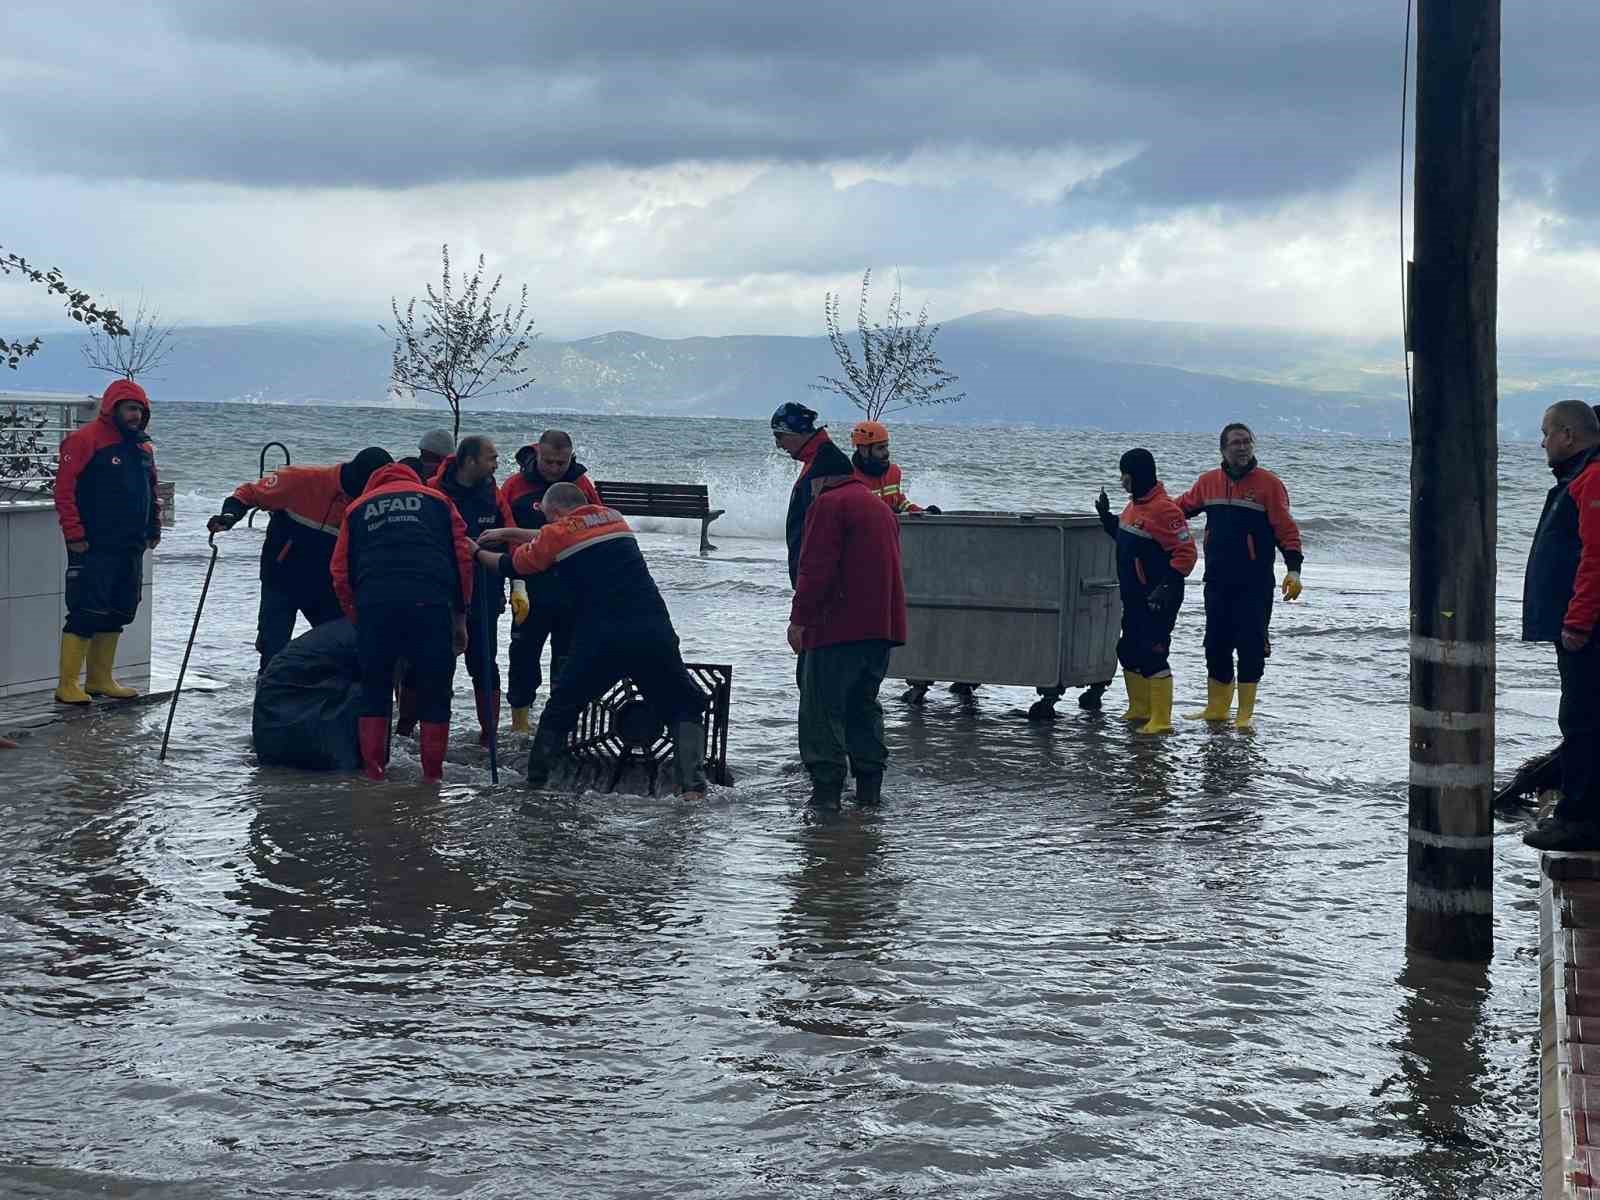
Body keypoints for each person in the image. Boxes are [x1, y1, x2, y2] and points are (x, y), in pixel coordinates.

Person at [475, 483, 709, 798]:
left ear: (554, 512)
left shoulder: (555, 535)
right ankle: (692, 789)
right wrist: (512, 532)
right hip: (653, 627)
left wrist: (475, 551)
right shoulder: (612, 517)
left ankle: (536, 783)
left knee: (563, 706)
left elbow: (511, 565)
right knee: (684, 702)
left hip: (601, 635)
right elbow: (558, 535)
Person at [330, 462, 474, 781]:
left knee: (375, 689)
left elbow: (339, 572)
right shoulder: (438, 501)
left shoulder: (356, 509)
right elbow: (462, 557)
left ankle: (374, 773)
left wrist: (357, 616)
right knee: (436, 691)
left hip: (375, 606)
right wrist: (461, 615)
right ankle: (432, 777)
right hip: (431, 604)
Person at [788, 448, 908, 808]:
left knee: (821, 711)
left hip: (835, 631)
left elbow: (815, 571)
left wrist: (798, 620)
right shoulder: (879, 508)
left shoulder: (829, 505)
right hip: (880, 631)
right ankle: (869, 793)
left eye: (810, 485)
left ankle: (826, 797)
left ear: (820, 479)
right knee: (864, 708)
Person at [207, 447, 393, 671]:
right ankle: (268, 698)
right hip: (281, 579)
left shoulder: (374, 502)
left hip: (326, 587)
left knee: (340, 650)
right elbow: (248, 493)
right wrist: (229, 517)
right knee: (272, 650)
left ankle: (326, 700)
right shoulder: (300, 480)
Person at [1172, 422, 1303, 729]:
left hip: (1254, 582)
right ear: (1223, 448)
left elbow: (1286, 530)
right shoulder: (1208, 482)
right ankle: (1216, 709)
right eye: (1236, 443)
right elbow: (1177, 511)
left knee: (1251, 644)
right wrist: (1139, 512)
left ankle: (1244, 714)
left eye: (1247, 442)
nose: (1242, 447)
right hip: (1217, 579)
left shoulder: (1269, 484)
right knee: (1216, 643)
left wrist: (1294, 569)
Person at [53, 379, 161, 705]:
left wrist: (153, 529)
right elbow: (64, 491)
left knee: (119, 611)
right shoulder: (85, 440)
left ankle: (100, 679)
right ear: (113, 408)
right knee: (86, 609)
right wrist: (74, 535)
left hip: (131, 545)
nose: (136, 416)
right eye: (130, 409)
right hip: (93, 545)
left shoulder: (143, 448)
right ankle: (67, 684)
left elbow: (151, 492)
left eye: (141, 411)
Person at [1523, 401, 1600, 850]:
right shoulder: (1579, 478)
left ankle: (1579, 818)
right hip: (1580, 623)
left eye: (1547, 432)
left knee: (1582, 718)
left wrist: (1577, 620)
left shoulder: (1590, 479)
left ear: (1569, 436)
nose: (1543, 442)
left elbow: (1594, 558)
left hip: (1586, 628)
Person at [499, 429, 603, 732]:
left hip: (572, 586)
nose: (556, 469)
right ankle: (519, 723)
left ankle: (563, 723)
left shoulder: (581, 485)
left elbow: (596, 527)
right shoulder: (515, 486)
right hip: (530, 585)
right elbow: (505, 530)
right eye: (549, 462)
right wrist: (515, 581)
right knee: (523, 654)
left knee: (568, 657)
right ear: (538, 454)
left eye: (562, 462)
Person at [1094, 448, 1196, 736]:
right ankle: (1139, 709)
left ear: (1138, 475)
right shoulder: (1134, 506)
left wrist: (1166, 586)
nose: (1122, 481)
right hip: (1134, 597)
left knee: (1153, 655)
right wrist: (1106, 517)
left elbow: (1186, 552)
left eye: (1125, 475)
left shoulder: (1165, 510)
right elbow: (1127, 537)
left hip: (1158, 598)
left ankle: (1161, 719)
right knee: (1127, 650)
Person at [427, 435, 514, 746]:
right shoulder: (435, 491)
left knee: (483, 660)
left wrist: (514, 583)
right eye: (491, 457)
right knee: (434, 661)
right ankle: (418, 730)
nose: (496, 463)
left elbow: (511, 538)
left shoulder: (493, 492)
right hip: (442, 591)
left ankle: (489, 734)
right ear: (469, 461)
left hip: (485, 589)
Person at [772, 402, 835, 586]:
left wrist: (810, 583)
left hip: (816, 579)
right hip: (808, 575)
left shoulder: (824, 464)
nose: (778, 445)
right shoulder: (816, 459)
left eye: (779, 436)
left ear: (795, 433)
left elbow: (822, 532)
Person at [849, 420, 940, 515]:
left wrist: (923, 512)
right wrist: (883, 511)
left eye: (886, 447)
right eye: (880, 448)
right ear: (863, 450)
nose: (886, 453)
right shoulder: (851, 479)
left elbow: (901, 503)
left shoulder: (894, 472)